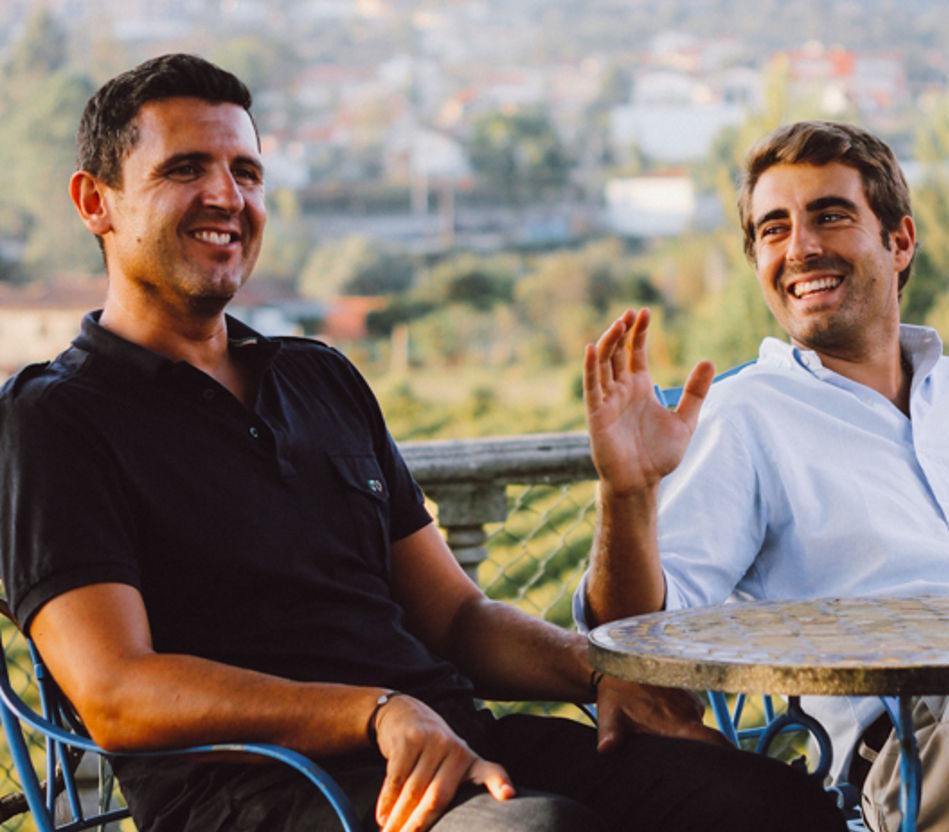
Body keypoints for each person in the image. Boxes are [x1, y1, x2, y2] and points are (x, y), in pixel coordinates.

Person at [0, 55, 845, 832]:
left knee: (765, 802)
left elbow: (458, 619)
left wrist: (600, 671)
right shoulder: (56, 418)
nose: (226, 197)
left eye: (245, 173)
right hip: (260, 792)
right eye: (185, 169)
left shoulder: (319, 378)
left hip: (454, 743)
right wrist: (373, 712)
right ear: (95, 202)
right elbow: (116, 690)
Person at [579, 120, 949, 830]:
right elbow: (637, 633)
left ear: (899, 242)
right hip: (911, 755)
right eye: (773, 229)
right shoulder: (745, 416)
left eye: (830, 216)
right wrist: (628, 494)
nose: (800, 247)